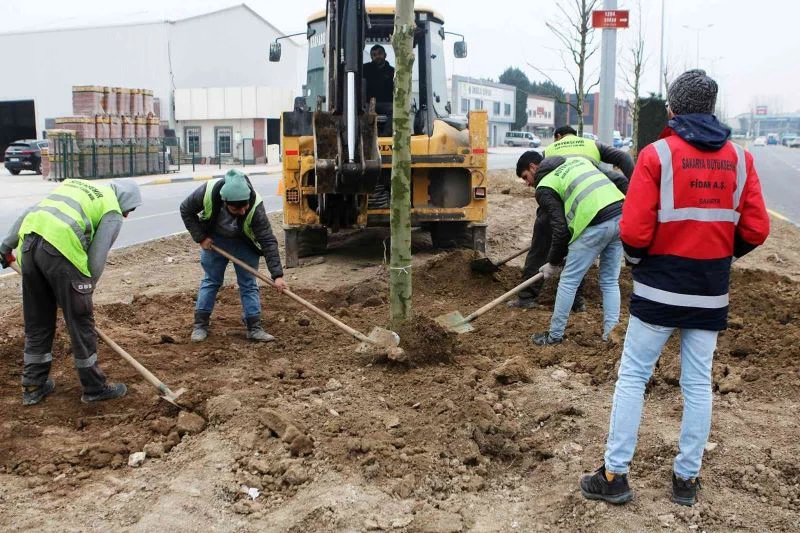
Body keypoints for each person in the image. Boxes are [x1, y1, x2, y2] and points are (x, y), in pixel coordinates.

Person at [579, 70, 770, 507]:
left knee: (633, 377)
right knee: (698, 383)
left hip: (659, 291)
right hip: (710, 291)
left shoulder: (657, 155)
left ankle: (615, 474)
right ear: (712, 109)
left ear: (672, 109)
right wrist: (723, 254)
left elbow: (634, 228)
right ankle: (686, 480)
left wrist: (637, 262)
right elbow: (757, 228)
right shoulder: (741, 160)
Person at [0, 178, 142, 405]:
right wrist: (82, 293)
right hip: (61, 251)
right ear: (125, 201)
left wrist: (6, 246)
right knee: (81, 321)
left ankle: (33, 386)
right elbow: (97, 259)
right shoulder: (112, 209)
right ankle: (94, 388)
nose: (126, 215)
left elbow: (31, 211)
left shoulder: (74, 185)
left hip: (29, 245)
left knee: (38, 321)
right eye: (129, 210)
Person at [507, 127, 634, 310]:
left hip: (566, 195)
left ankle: (527, 296)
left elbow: (558, 223)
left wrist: (552, 260)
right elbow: (623, 164)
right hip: (590, 200)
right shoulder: (592, 145)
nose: (528, 184)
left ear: (558, 137)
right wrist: (635, 196)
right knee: (576, 248)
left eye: (527, 178)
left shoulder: (549, 152)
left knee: (541, 243)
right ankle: (576, 301)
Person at [528, 151, 628, 346]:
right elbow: (620, 181)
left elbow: (561, 229)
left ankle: (554, 336)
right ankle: (611, 336)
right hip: (621, 216)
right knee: (609, 281)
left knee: (569, 280)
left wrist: (554, 262)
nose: (529, 184)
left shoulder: (545, 186)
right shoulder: (578, 161)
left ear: (539, 174)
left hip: (595, 223)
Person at [180, 169, 287, 343]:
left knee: (248, 283)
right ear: (224, 201)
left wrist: (278, 275)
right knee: (211, 281)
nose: (243, 211)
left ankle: (254, 327)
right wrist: (201, 237)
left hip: (244, 242)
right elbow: (186, 209)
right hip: (215, 241)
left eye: (245, 206)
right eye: (237, 208)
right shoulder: (208, 192)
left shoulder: (255, 205)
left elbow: (267, 240)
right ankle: (200, 325)